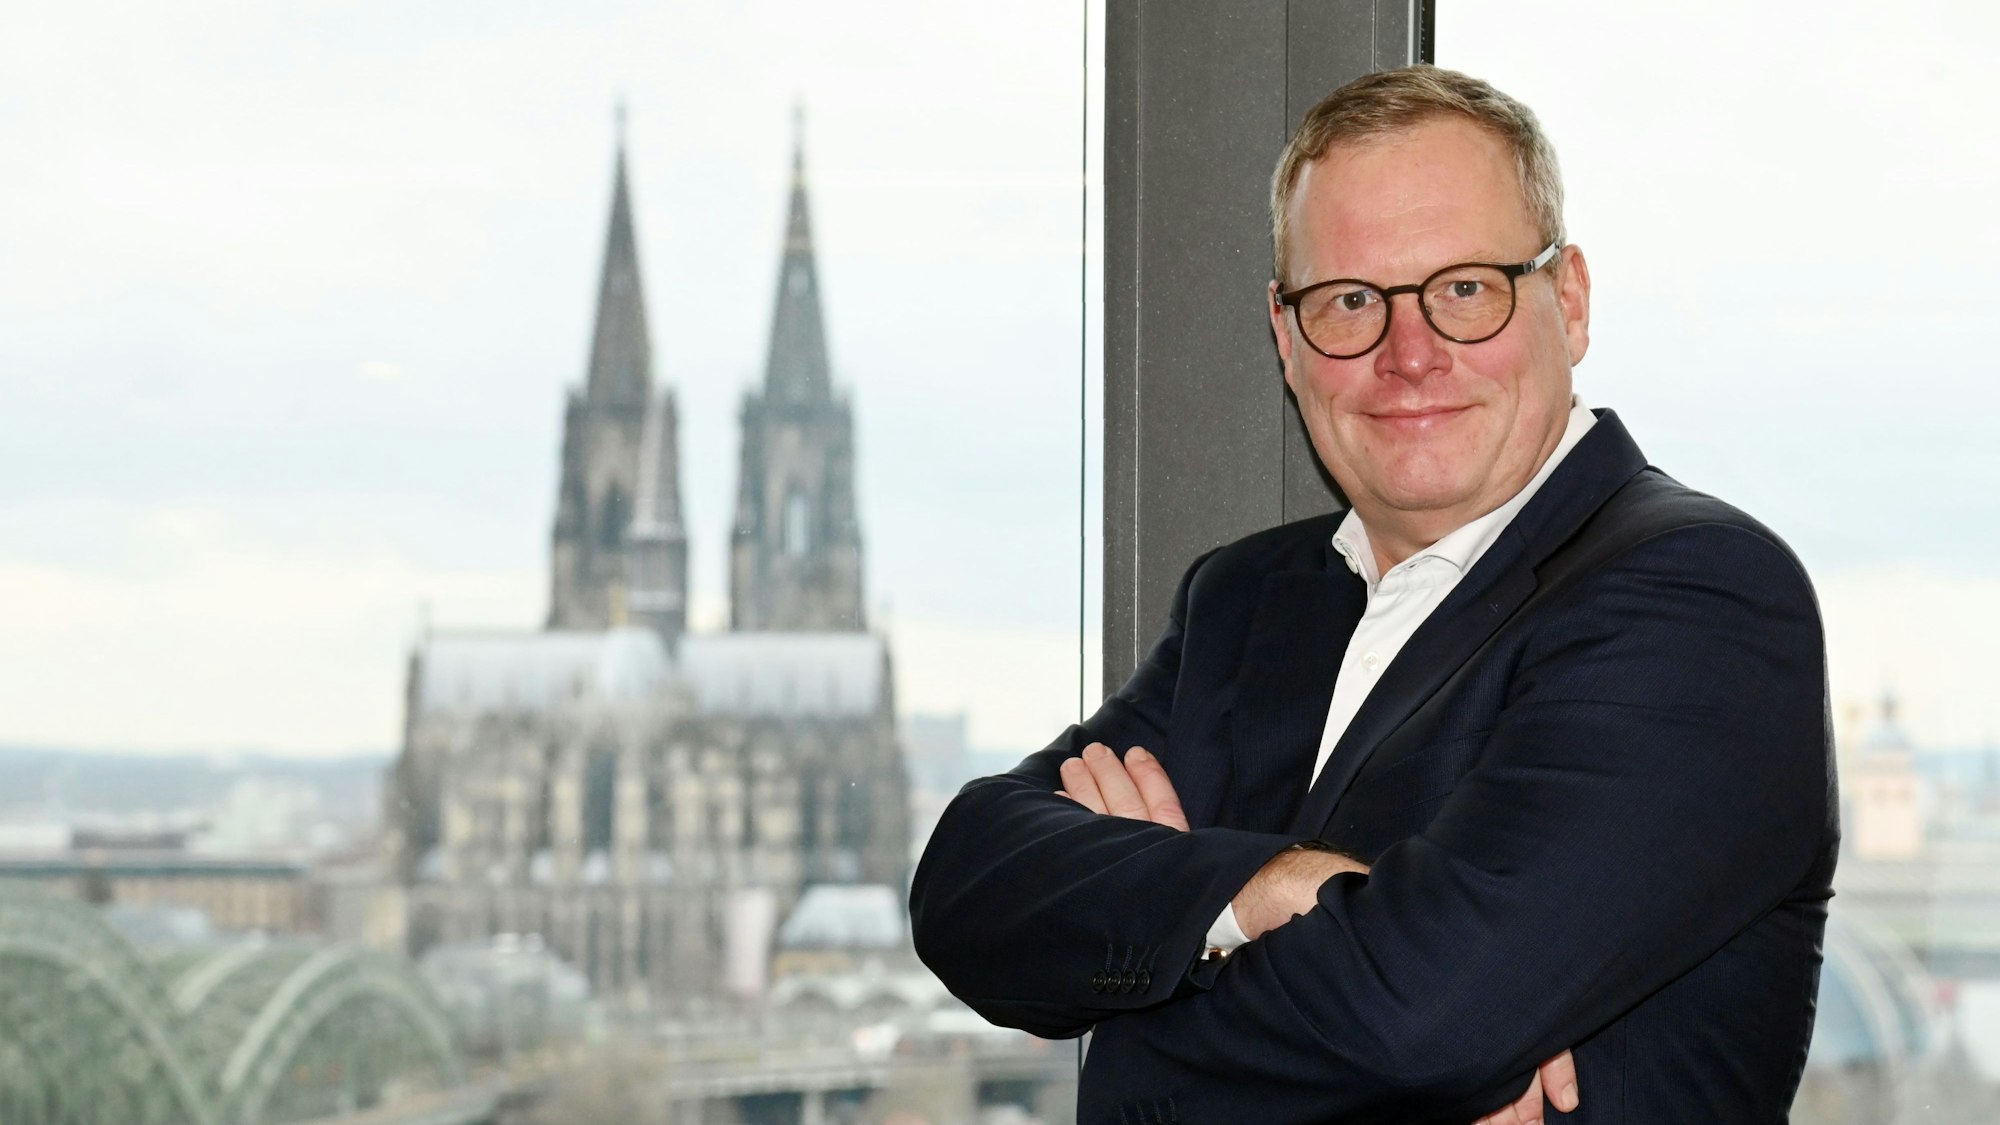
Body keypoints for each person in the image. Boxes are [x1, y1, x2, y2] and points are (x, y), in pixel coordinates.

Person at [909, 65, 1836, 1124]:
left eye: (1464, 289)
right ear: (1285, 336)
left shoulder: (1692, 597)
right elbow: (968, 890)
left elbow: (1420, 1016)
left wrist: (1148, 964)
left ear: (1565, 302)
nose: (1409, 353)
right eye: (1349, 301)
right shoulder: (1247, 599)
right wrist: (1270, 892)